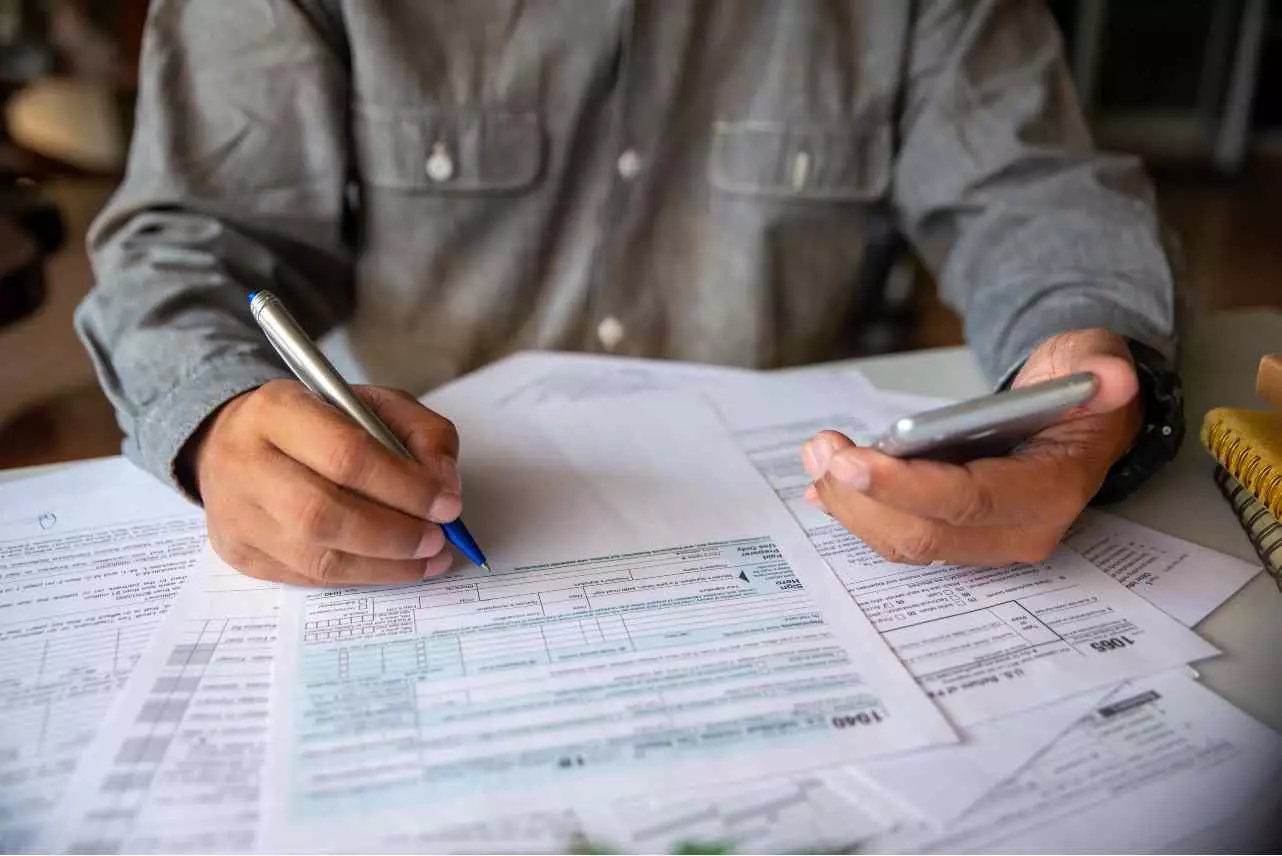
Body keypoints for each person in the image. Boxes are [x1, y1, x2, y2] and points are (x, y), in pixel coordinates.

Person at [77, 1, 1184, 587]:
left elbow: (1035, 194)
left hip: (789, 537)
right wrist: (218, 415)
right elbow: (184, 242)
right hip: (425, 498)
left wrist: (1081, 367)